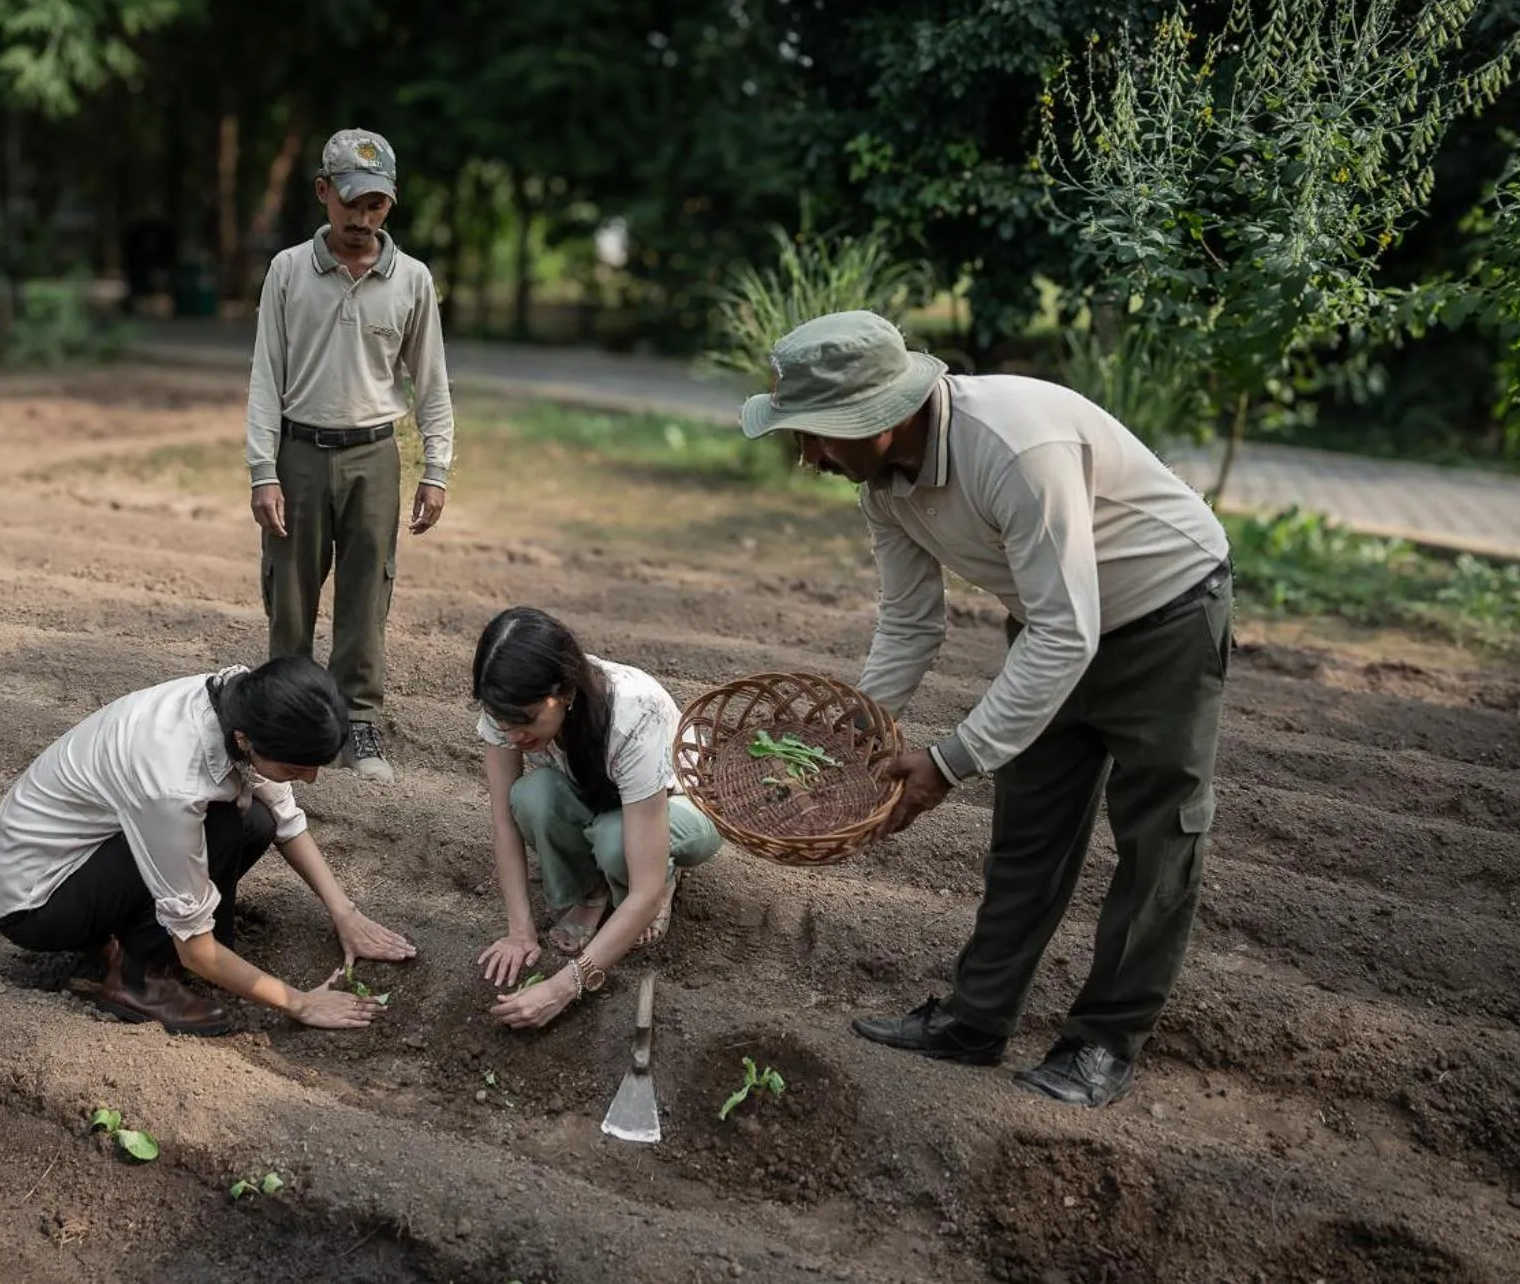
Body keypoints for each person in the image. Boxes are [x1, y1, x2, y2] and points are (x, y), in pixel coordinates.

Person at [740, 310, 1232, 1108]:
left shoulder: (1012, 448)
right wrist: (855, 729)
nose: (809, 458)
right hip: (1053, 621)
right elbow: (911, 620)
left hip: (1164, 616)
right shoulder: (882, 484)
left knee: (1158, 836)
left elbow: (1070, 630)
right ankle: (976, 1019)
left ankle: (1103, 1040)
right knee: (1028, 830)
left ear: (885, 417)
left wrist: (947, 760)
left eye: (818, 435)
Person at [0, 655, 416, 1034]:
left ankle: (126, 937)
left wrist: (346, 914)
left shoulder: (243, 699)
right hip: (38, 899)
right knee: (220, 826)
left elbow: (284, 817)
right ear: (247, 740)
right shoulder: (173, 781)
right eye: (296, 766)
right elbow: (196, 948)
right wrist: (298, 1002)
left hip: (86, 853)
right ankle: (140, 982)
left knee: (255, 821)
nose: (310, 778)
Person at [245, 128, 455, 786]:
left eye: (376, 206)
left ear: (390, 205)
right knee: (291, 598)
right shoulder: (287, 271)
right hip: (300, 452)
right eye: (351, 203)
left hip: (374, 457)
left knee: (367, 597)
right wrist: (263, 470)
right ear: (323, 193)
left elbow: (432, 381)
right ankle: (287, 721)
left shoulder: (412, 281)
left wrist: (437, 469)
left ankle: (358, 721)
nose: (362, 219)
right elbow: (264, 378)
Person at [470, 606, 722, 1030]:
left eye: (527, 720)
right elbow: (504, 824)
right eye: (502, 720)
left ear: (564, 691)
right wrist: (520, 931)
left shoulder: (633, 715)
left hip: (684, 807)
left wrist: (564, 986)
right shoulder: (507, 705)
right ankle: (591, 891)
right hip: (607, 799)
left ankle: (666, 877)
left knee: (615, 838)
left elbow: (640, 891)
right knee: (531, 797)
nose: (513, 735)